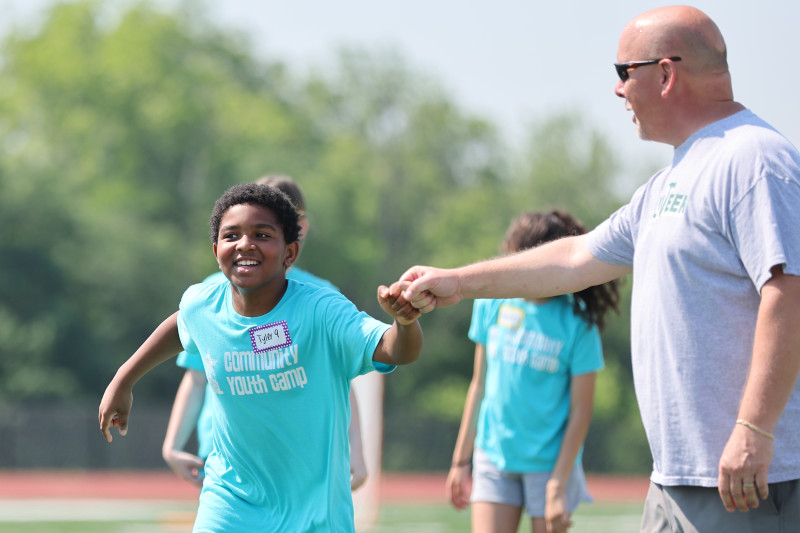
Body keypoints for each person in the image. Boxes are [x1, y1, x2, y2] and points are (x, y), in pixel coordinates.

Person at [399, 6, 800, 532]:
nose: (616, 91)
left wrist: (754, 428)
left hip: (749, 480)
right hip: (677, 479)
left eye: (622, 73)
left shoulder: (755, 157)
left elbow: (788, 291)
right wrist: (458, 281)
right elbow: (574, 258)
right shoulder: (669, 180)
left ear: (664, 72)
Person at [99, 183, 423, 532]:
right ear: (216, 249)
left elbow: (396, 350)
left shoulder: (322, 310)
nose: (245, 244)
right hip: (229, 502)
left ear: (290, 253)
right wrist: (124, 379)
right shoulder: (203, 305)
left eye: (262, 234)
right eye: (231, 235)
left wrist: (405, 323)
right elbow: (180, 325)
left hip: (314, 513)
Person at [162, 175, 369, 491]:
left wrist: (357, 449)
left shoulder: (322, 297)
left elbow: (341, 379)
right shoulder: (210, 294)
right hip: (225, 455)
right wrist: (172, 445)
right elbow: (196, 375)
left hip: (300, 458)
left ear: (300, 227)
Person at [447, 210, 619, 533]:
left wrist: (557, 485)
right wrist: (460, 460)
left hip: (550, 467)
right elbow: (479, 385)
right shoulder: (490, 303)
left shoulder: (578, 324)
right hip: (493, 457)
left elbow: (581, 412)